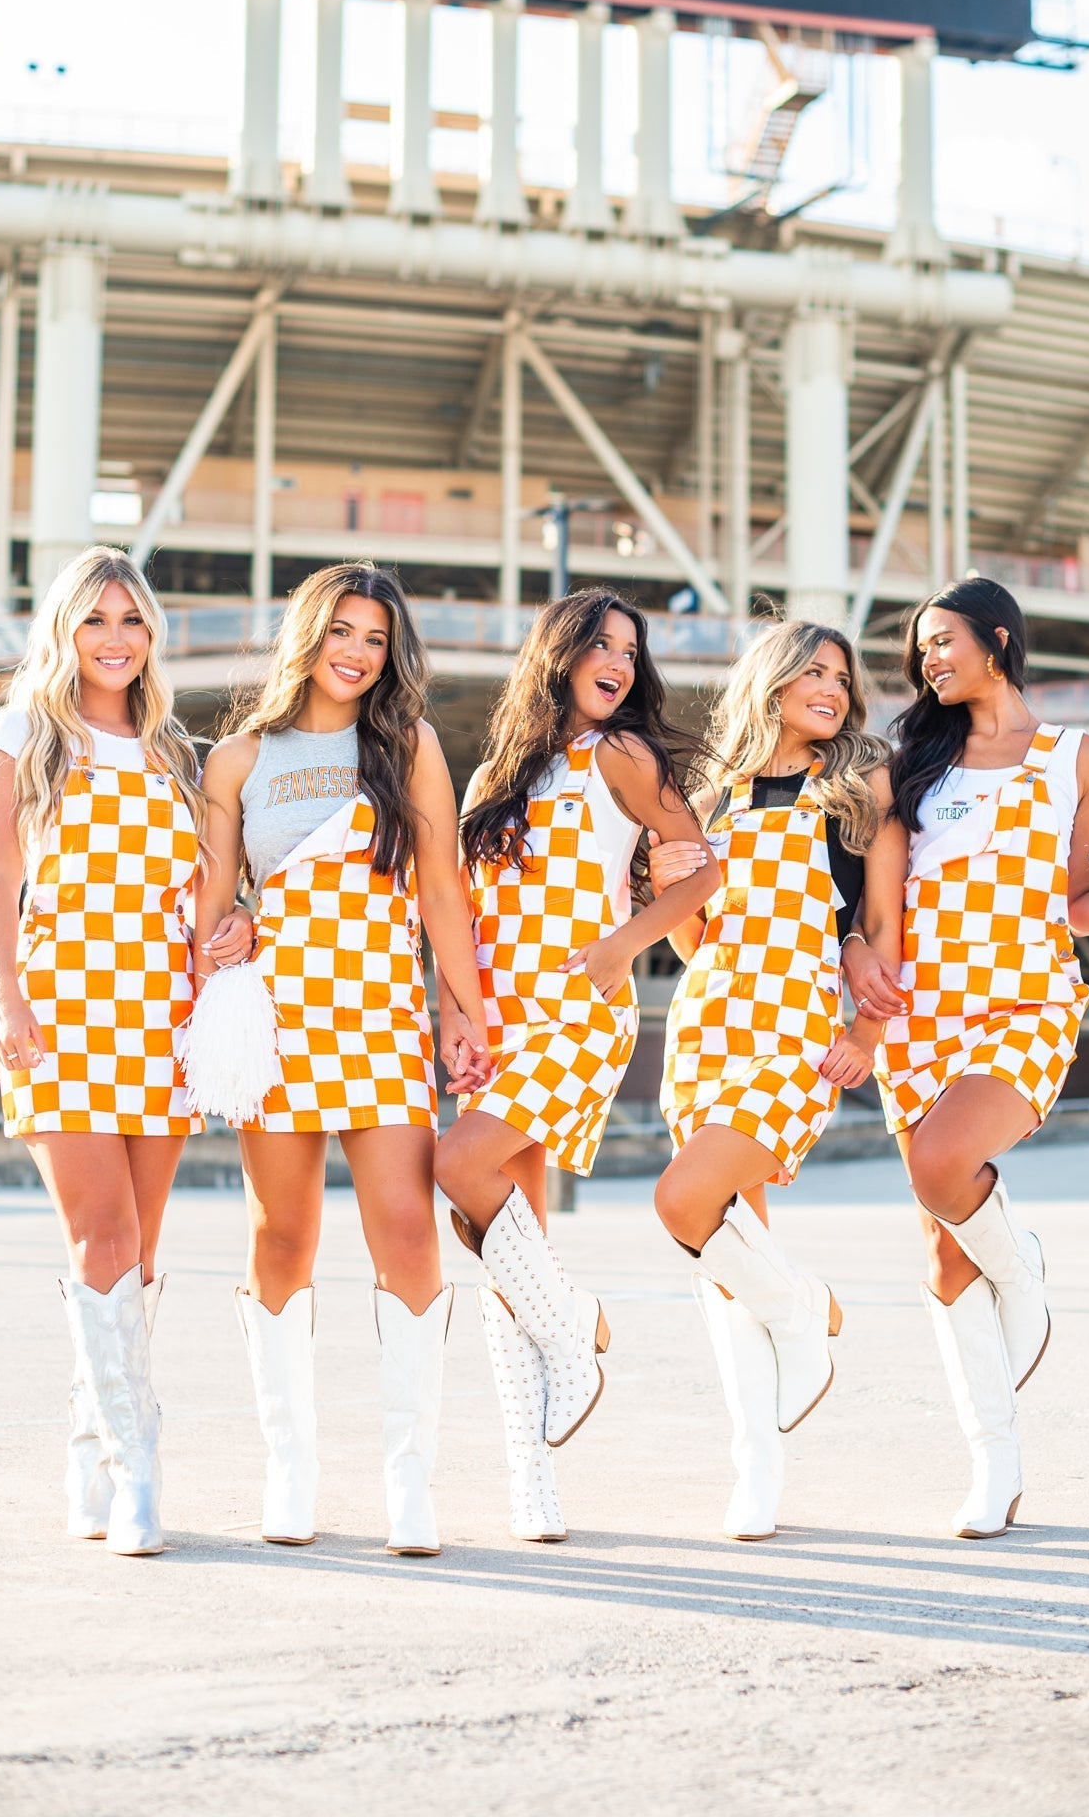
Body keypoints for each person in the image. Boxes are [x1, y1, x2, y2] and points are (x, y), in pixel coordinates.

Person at [194, 563, 491, 1558]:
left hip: (377, 1018)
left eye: (376, 636)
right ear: (309, 634)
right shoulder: (236, 760)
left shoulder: (405, 744)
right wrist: (228, 924)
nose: (359, 651)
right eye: (344, 631)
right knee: (282, 1235)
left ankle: (411, 1478)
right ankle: (292, 1468)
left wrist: (464, 1007)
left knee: (407, 1228)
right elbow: (209, 910)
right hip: (279, 1021)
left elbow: (442, 888)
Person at [0, 545, 252, 1557]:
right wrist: (7, 1000)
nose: (117, 638)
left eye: (133, 620)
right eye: (96, 618)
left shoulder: (179, 750)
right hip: (61, 1015)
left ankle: (91, 1444)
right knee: (103, 1239)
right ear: (64, 628)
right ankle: (141, 1466)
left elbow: (208, 895)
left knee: (140, 1253)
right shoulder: (24, 735)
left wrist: (236, 930)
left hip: (162, 1020)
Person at [434, 588, 720, 1541]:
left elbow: (705, 865)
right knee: (506, 1252)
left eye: (631, 651)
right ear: (555, 655)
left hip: (577, 1012)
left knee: (455, 1166)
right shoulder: (494, 780)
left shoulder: (622, 756)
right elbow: (461, 921)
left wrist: (623, 944)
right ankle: (532, 1482)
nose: (618, 663)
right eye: (599, 645)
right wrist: (458, 1017)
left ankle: (577, 1329)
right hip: (501, 1019)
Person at [844, 577, 1089, 1539]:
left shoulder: (1077, 759)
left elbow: (1079, 900)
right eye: (920, 648)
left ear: (998, 640)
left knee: (940, 1164)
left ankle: (1024, 1271)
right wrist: (858, 960)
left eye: (943, 641)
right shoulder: (906, 763)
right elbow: (875, 897)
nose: (928, 660)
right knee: (939, 1242)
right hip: (920, 1016)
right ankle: (994, 1465)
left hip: (1025, 1003)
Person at [647, 620, 904, 1540]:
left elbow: (885, 917)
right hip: (706, 1025)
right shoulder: (709, 794)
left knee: (684, 1202)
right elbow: (693, 939)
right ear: (772, 679)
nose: (833, 687)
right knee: (724, 1257)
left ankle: (801, 1316)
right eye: (815, 671)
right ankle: (756, 1461)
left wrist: (868, 1029)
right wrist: (664, 877)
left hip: (795, 1032)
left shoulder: (861, 786)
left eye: (843, 676)